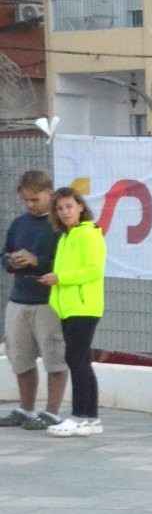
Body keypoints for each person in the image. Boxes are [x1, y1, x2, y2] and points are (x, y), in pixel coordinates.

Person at [2, 170, 67, 430]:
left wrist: (36, 261)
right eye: (26, 200)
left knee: (54, 357)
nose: (30, 205)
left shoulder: (60, 227)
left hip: (48, 303)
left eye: (35, 199)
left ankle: (51, 413)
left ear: (49, 194)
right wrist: (11, 261)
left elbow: (67, 266)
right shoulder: (19, 223)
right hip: (18, 300)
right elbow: (3, 255)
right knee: (20, 357)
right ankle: (26, 409)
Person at [38, 187, 105, 437]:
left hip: (84, 307)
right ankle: (91, 419)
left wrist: (60, 278)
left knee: (76, 361)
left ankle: (80, 416)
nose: (65, 212)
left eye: (69, 206)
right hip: (70, 308)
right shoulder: (66, 237)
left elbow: (93, 270)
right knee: (81, 361)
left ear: (80, 207)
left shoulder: (89, 234)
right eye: (60, 208)